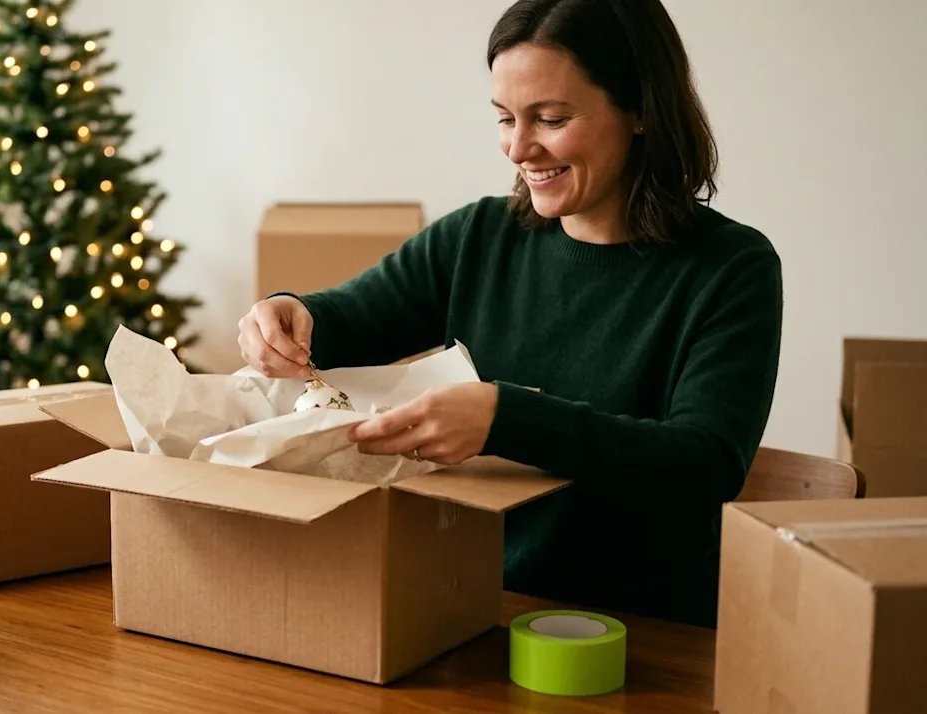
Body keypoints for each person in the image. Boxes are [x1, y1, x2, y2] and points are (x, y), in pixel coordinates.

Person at [235, 0, 783, 629]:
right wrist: (287, 314)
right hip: (469, 605)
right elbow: (346, 319)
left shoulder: (731, 268)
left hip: (637, 632)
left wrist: (507, 418)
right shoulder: (480, 236)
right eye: (505, 118)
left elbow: (704, 465)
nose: (519, 148)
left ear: (639, 110)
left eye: (551, 118)